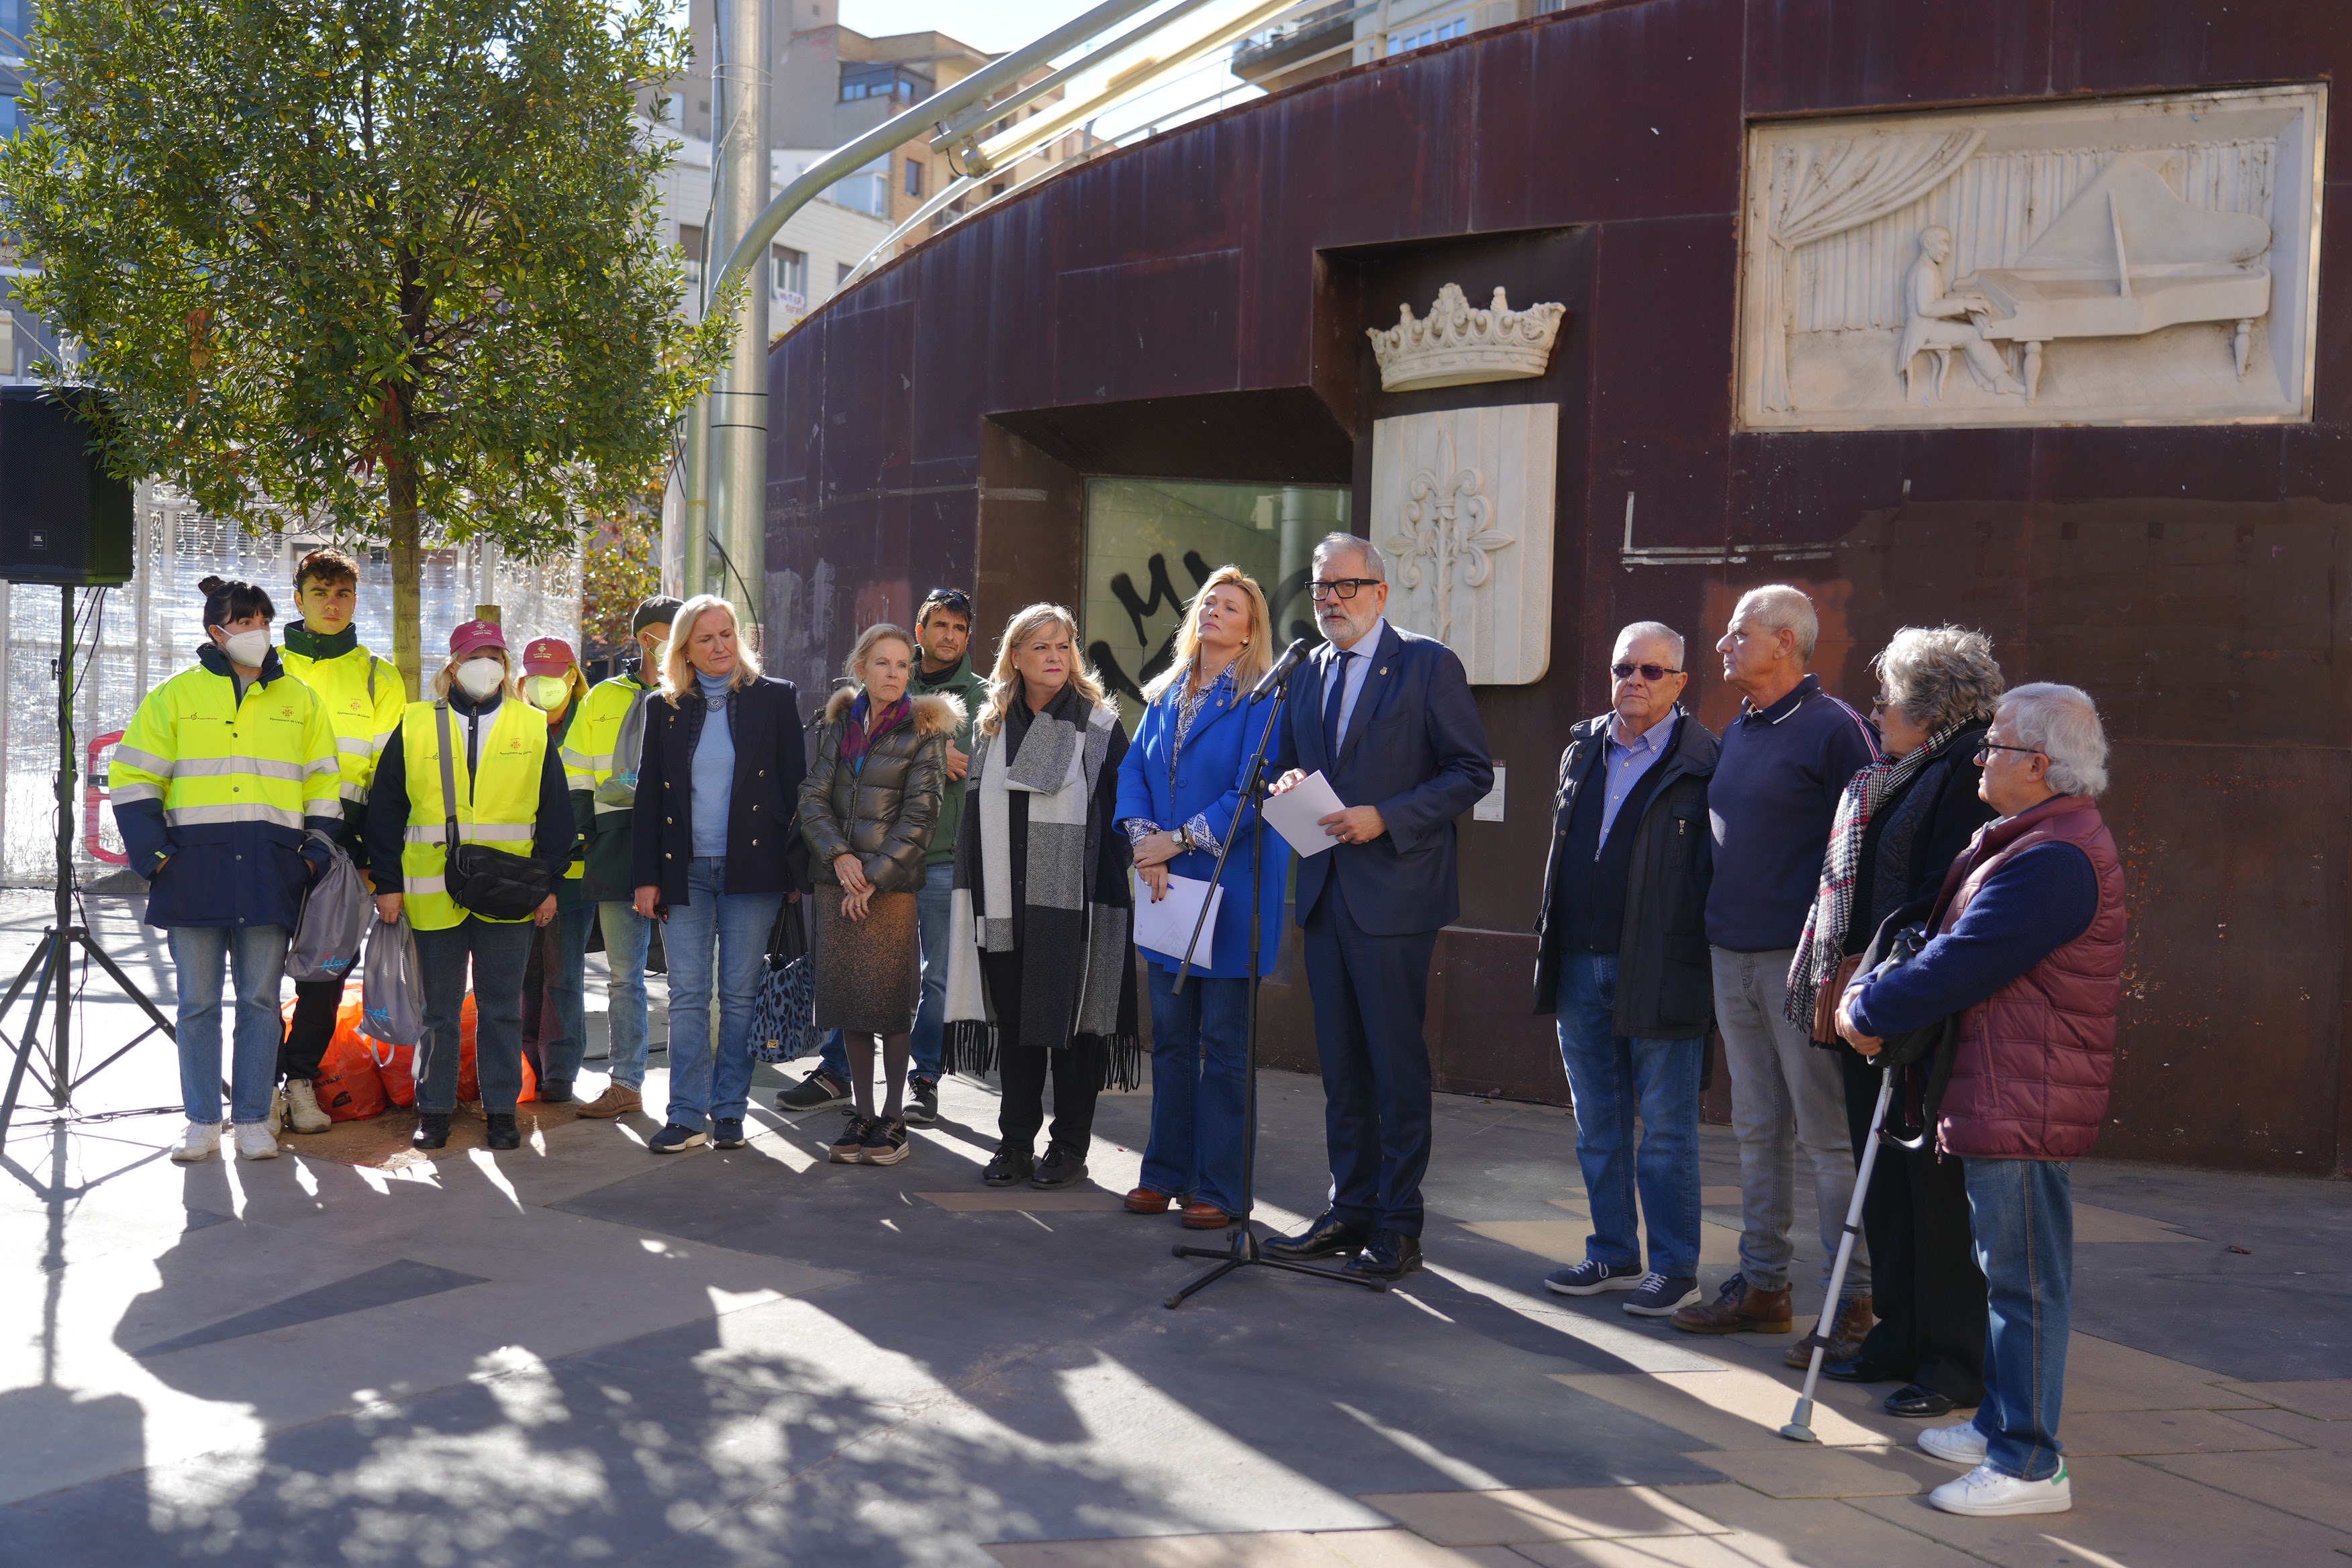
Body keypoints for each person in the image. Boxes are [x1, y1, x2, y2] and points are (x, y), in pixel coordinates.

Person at [1837, 683, 2124, 1518]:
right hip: (2004, 1086)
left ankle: (2029, 1463)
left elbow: (1963, 959)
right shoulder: (2033, 838)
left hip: (2025, 1097)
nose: (1979, 757)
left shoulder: (2054, 857)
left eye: (1994, 744)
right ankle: (2001, 1420)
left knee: (2025, 1286)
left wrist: (1868, 1010)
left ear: (2039, 764)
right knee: (2008, 1277)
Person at [1259, 534, 1493, 1282]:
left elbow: (1470, 772)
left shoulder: (1426, 664)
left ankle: (1398, 1224)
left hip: (1395, 895)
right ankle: (1349, 1209)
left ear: (1381, 592)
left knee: (1393, 1066)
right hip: (1325, 891)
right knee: (1342, 1068)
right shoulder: (1307, 669)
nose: (1330, 599)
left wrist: (1385, 816)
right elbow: (1281, 764)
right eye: (1321, 587)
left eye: (1346, 586)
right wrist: (1283, 783)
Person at [1789, 626, 2002, 1412]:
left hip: (1920, 1007)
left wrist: (1881, 970)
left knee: (1933, 1190)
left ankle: (1951, 1360)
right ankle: (1901, 1331)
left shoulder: (1968, 768)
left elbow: (1944, 893)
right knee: (1885, 1180)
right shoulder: (1903, 770)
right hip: (1871, 995)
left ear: (1931, 705)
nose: (1876, 712)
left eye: (1887, 699)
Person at [1674, 585, 1879, 1338]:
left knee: (1826, 1137)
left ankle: (1854, 1302)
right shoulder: (1740, 728)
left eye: (1739, 633)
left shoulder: (1837, 730)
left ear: (1785, 641)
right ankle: (1763, 1287)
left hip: (1805, 966)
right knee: (1756, 1127)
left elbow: (1872, 847)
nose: (1723, 645)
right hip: (1729, 952)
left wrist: (1846, 963)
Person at [111, 577, 342, 1163]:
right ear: (216, 631)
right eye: (243, 621)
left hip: (271, 871)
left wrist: (312, 856)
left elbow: (324, 783)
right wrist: (156, 858)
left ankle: (254, 1118)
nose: (256, 631)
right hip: (193, 872)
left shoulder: (300, 700)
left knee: (261, 1002)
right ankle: (201, 1121)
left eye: (262, 620)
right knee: (197, 1004)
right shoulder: (175, 696)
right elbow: (134, 778)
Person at [1530, 622, 1718, 1317]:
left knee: (1666, 1131)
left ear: (1680, 681)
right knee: (1597, 1124)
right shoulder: (1583, 747)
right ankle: (1612, 1251)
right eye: (1623, 668)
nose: (1634, 680)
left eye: (1651, 670)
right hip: (1579, 961)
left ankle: (1674, 1268)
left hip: (1664, 966)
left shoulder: (1705, 760)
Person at [940, 603, 1138, 1191]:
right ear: (1016, 657)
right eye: (1042, 647)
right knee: (1017, 1031)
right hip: (1004, 900)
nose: (1055, 657)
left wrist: (1091, 884)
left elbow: (1125, 816)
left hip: (1075, 905)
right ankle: (1015, 1144)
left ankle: (1070, 1147)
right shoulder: (992, 726)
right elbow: (975, 820)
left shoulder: (1099, 726)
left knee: (1074, 1031)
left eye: (1063, 646)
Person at [1114, 567, 1285, 1230]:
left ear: (1249, 631)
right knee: (1172, 1043)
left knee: (1225, 1046)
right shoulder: (1164, 692)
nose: (1215, 610)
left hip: (1232, 891)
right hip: (1167, 888)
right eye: (1209, 601)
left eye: (1231, 606)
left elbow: (1252, 791)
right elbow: (1133, 771)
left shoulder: (1261, 697)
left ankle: (1221, 1188)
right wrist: (1145, 843)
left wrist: (1178, 840)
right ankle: (1165, 1174)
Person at [366, 620, 574, 1152]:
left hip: (509, 889)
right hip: (432, 889)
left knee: (501, 1007)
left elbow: (557, 814)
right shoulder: (415, 723)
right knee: (438, 1009)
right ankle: (434, 1110)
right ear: (453, 665)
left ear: (505, 666)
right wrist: (387, 882)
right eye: (476, 655)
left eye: (495, 656)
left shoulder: (531, 725)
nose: (487, 665)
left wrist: (549, 884)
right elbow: (385, 810)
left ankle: (501, 1110)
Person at [780, 586, 985, 1125]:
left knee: (931, 978)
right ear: (920, 633)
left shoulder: (981, 695)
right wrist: (846, 859)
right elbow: (822, 789)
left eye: (960, 628)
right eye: (940, 625)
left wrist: (940, 753)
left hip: (938, 856)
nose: (950, 636)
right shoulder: (879, 693)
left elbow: (978, 769)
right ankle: (836, 1073)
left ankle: (923, 1079)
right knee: (851, 976)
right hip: (860, 864)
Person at [631, 595, 807, 1153]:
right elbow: (648, 797)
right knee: (686, 995)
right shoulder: (664, 706)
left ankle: (730, 1109)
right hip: (682, 871)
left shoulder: (775, 697)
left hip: (753, 869)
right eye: (705, 638)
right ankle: (685, 1114)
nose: (719, 646)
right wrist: (645, 876)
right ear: (685, 648)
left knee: (738, 993)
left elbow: (796, 788)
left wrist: (795, 873)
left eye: (727, 633)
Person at [797, 622, 956, 1165]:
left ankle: (893, 1120)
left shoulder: (925, 730)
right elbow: (812, 796)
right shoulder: (839, 723)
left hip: (889, 890)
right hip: (836, 883)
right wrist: (840, 858)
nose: (894, 674)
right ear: (860, 667)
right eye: (883, 663)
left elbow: (921, 818)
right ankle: (862, 1114)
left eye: (902, 665)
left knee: (889, 1006)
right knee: (851, 1004)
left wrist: (872, 877)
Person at [274, 546, 406, 1134]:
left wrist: (378, 861)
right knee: (257, 972)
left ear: (356, 600)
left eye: (343, 594)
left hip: (347, 846)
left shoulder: (380, 675)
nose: (332, 604)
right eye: (320, 593)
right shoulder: (268, 664)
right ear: (298, 599)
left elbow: (388, 780)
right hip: (271, 833)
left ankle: (300, 1082)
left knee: (326, 971)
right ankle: (260, 1091)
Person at [567, 595, 681, 1120]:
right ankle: (626, 1082)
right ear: (641, 639)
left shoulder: (696, 695)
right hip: (616, 846)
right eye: (657, 634)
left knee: (692, 979)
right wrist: (588, 837)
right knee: (623, 975)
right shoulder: (603, 698)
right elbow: (575, 773)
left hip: (681, 848)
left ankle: (694, 1090)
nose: (665, 644)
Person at [519, 636, 595, 1104]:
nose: (542, 684)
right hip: (519, 872)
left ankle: (560, 1071)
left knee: (562, 973)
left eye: (552, 675)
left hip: (572, 874)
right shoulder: (514, 723)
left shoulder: (589, 723)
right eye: (534, 675)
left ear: (572, 676)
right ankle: (527, 1065)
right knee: (523, 973)